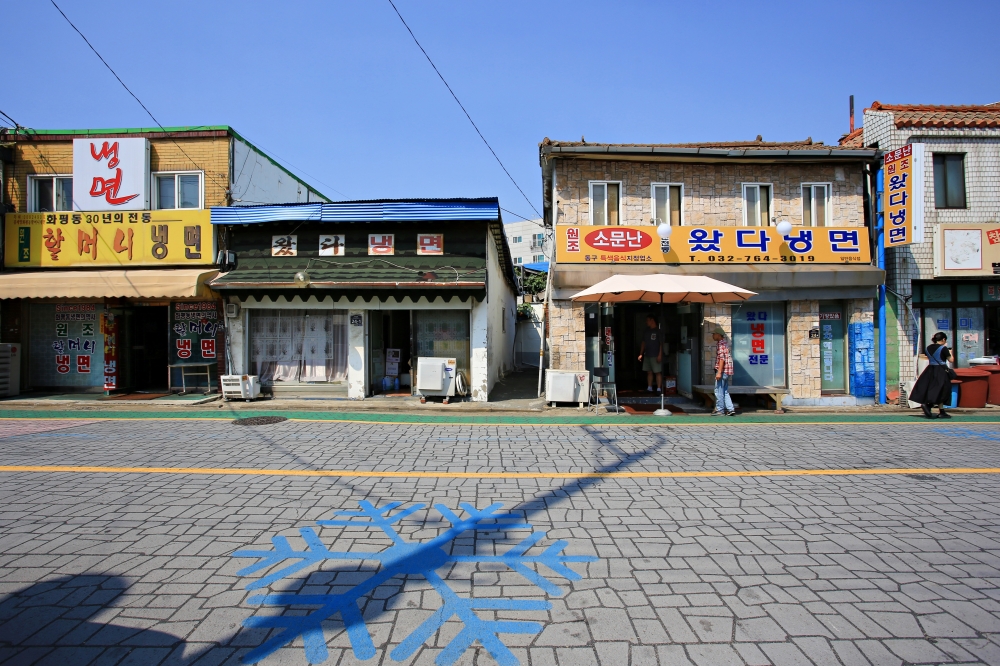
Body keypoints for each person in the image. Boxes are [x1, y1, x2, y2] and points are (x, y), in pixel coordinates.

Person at [910, 332, 954, 419]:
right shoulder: (943, 348)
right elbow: (951, 360)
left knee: (934, 389)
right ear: (943, 339)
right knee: (943, 390)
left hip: (930, 370)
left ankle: (941, 411)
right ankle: (929, 405)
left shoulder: (928, 348)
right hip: (941, 371)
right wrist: (950, 352)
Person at [712, 325, 736, 416]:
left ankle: (720, 410)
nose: (713, 336)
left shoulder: (720, 344)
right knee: (724, 390)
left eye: (714, 334)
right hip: (728, 371)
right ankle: (730, 409)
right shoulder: (725, 343)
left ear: (718, 335)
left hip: (723, 371)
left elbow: (722, 359)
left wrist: (719, 372)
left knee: (718, 390)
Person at [637, 315, 663, 392]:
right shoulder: (646, 331)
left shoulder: (658, 331)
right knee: (649, 372)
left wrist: (660, 354)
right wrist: (641, 353)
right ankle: (649, 387)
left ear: (652, 320)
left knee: (657, 372)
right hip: (647, 354)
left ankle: (658, 388)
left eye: (647, 320)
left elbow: (661, 344)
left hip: (655, 354)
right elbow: (643, 342)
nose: (646, 322)